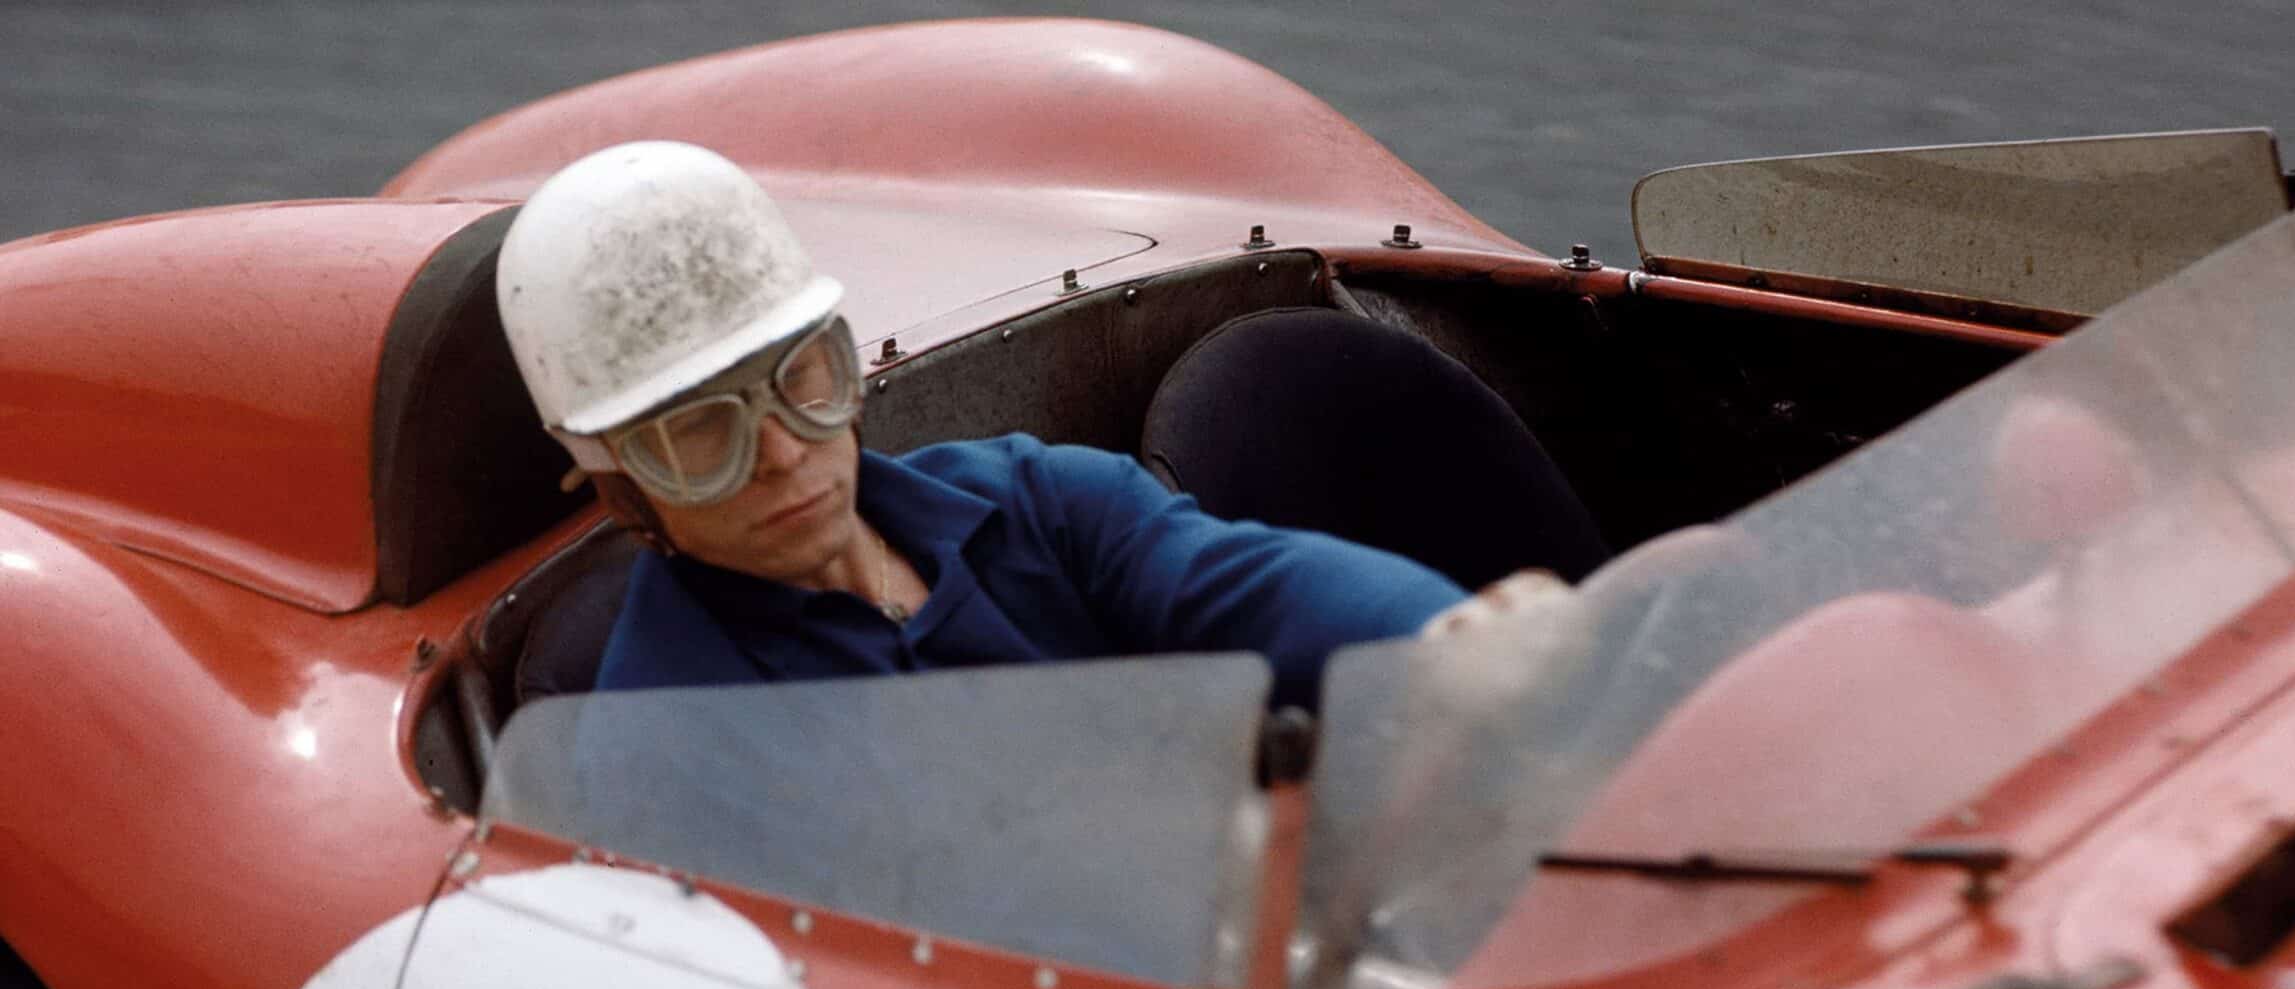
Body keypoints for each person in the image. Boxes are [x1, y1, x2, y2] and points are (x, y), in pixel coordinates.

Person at [495, 140, 1564, 710]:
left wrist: (1443, 645)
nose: (782, 450)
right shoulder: (667, 724)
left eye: (802, 378)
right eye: (698, 434)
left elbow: (1234, 578)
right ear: (615, 484)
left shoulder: (1026, 501)